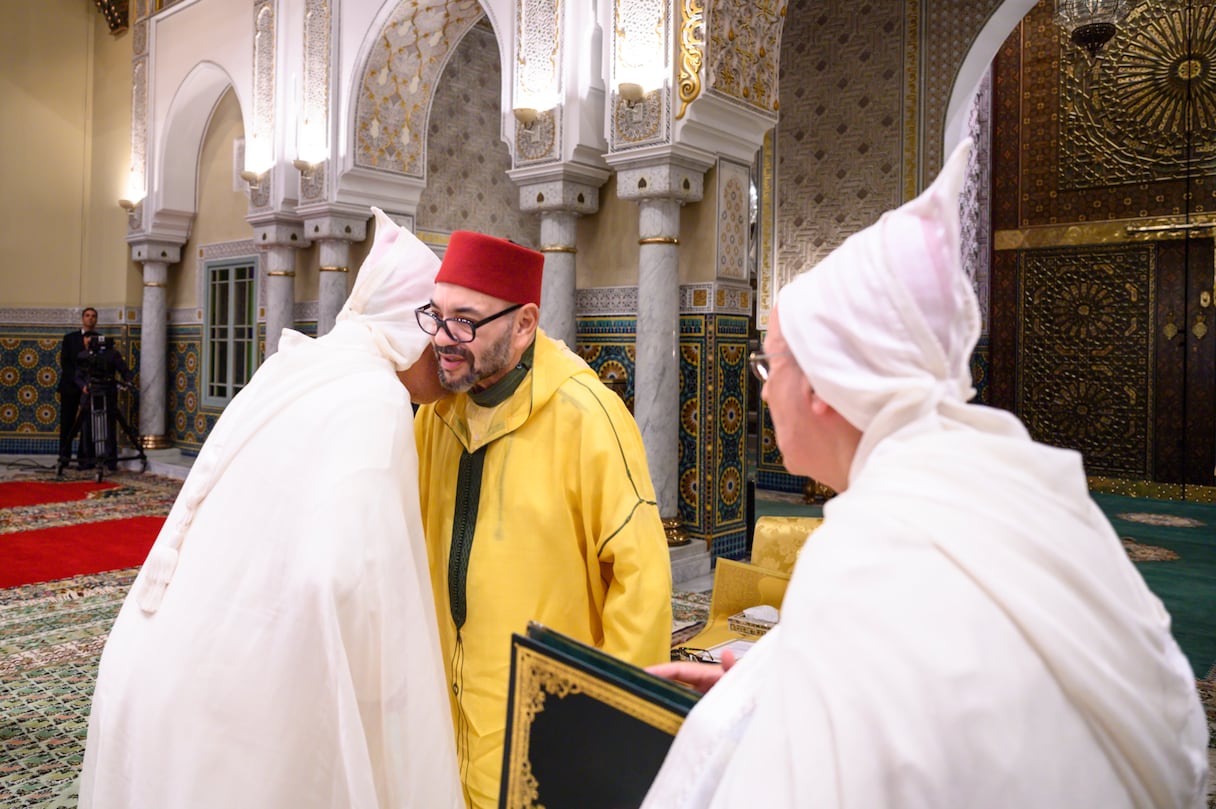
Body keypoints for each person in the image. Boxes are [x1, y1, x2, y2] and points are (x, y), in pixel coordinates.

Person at [641, 140, 1209, 809]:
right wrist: (760, 698)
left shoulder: (870, 549)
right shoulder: (1008, 482)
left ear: (824, 383)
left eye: (769, 368)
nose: (763, 394)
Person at [78, 208, 464, 809]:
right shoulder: (376, 397)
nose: (447, 348)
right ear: (405, 327)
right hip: (229, 703)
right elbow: (345, 578)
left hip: (156, 663)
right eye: (438, 324)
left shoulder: (302, 364)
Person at [413, 231, 674, 809]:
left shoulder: (587, 416)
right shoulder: (437, 416)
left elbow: (643, 583)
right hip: (446, 713)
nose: (443, 339)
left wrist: (611, 724)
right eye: (436, 316)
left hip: (545, 720)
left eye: (465, 320)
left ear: (525, 323)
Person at [75, 331, 134, 471]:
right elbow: (77, 376)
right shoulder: (82, 356)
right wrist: (83, 386)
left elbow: (124, 370)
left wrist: (129, 381)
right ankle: (87, 460)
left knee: (109, 427)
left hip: (108, 393)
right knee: (87, 427)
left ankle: (110, 460)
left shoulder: (112, 355)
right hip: (89, 395)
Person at [58, 307, 96, 469]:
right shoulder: (70, 338)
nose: (90, 319)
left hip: (91, 388)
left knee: (88, 424)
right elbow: (66, 363)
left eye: (93, 316)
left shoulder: (100, 339)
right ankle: (64, 457)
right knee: (67, 422)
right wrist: (78, 382)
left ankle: (85, 458)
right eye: (87, 316)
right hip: (70, 387)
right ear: (82, 318)